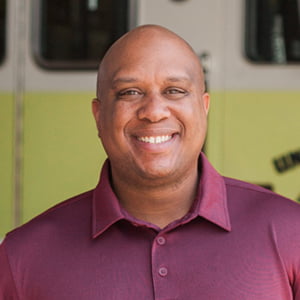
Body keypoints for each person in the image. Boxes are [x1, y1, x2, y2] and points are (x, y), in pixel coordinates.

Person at [0, 24, 300, 299]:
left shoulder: (291, 232)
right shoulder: (23, 256)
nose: (154, 112)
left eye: (175, 91)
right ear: (98, 115)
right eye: (130, 92)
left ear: (204, 107)